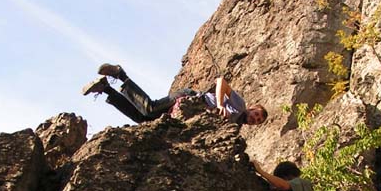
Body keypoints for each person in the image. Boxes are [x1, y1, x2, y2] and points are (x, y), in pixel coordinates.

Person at [82, 63, 268, 126]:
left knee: (144, 120)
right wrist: (220, 105)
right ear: (252, 109)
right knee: (150, 108)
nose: (255, 119)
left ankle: (105, 88)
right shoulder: (240, 106)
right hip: (191, 98)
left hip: (190, 112)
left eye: (258, 121)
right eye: (257, 114)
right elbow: (221, 82)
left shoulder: (235, 124)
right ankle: (120, 74)